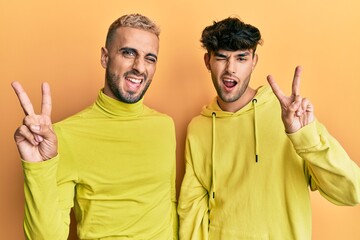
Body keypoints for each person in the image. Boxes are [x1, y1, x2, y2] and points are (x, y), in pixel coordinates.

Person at [178, 17, 360, 239]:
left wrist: (304, 137)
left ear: (254, 61)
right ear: (208, 61)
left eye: (241, 58)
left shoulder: (289, 117)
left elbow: (352, 192)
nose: (230, 69)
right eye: (222, 57)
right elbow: (192, 213)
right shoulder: (199, 128)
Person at [12, 13, 178, 239]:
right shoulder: (64, 135)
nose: (140, 67)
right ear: (104, 57)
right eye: (128, 53)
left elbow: (169, 205)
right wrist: (37, 169)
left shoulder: (164, 127)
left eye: (150, 58)